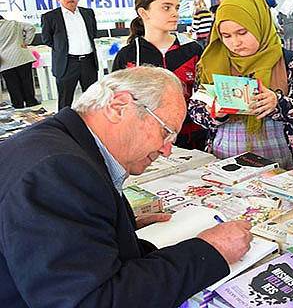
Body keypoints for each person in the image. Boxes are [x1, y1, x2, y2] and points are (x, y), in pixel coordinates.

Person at [0, 66, 253, 307]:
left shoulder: (56, 143)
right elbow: (94, 301)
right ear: (119, 107)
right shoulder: (59, 172)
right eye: (165, 132)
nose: (167, 150)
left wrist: (112, 225)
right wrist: (209, 252)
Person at [189, 0, 293, 169]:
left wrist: (278, 104)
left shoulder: (291, 63)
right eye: (226, 36)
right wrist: (214, 113)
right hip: (226, 158)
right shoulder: (211, 63)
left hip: (283, 160)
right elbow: (195, 110)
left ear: (260, 25)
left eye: (242, 32)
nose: (235, 42)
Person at [112, 0, 206, 150]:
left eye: (176, 7)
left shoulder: (193, 50)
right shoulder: (129, 56)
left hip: (192, 138)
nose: (175, 13)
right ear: (144, 13)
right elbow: (117, 101)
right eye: (166, 7)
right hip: (145, 140)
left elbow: (204, 96)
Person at [40, 0, 99, 109]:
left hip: (88, 62)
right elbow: (47, 39)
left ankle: (91, 124)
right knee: (65, 100)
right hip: (67, 63)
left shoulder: (87, 12)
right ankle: (63, 125)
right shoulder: (50, 16)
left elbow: (93, 33)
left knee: (92, 98)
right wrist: (62, 49)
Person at [0, 15, 40, 108]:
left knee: (12, 84)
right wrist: (26, 42)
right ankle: (31, 101)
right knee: (27, 81)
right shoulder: (14, 23)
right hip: (22, 56)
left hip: (5, 60)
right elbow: (31, 28)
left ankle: (18, 104)